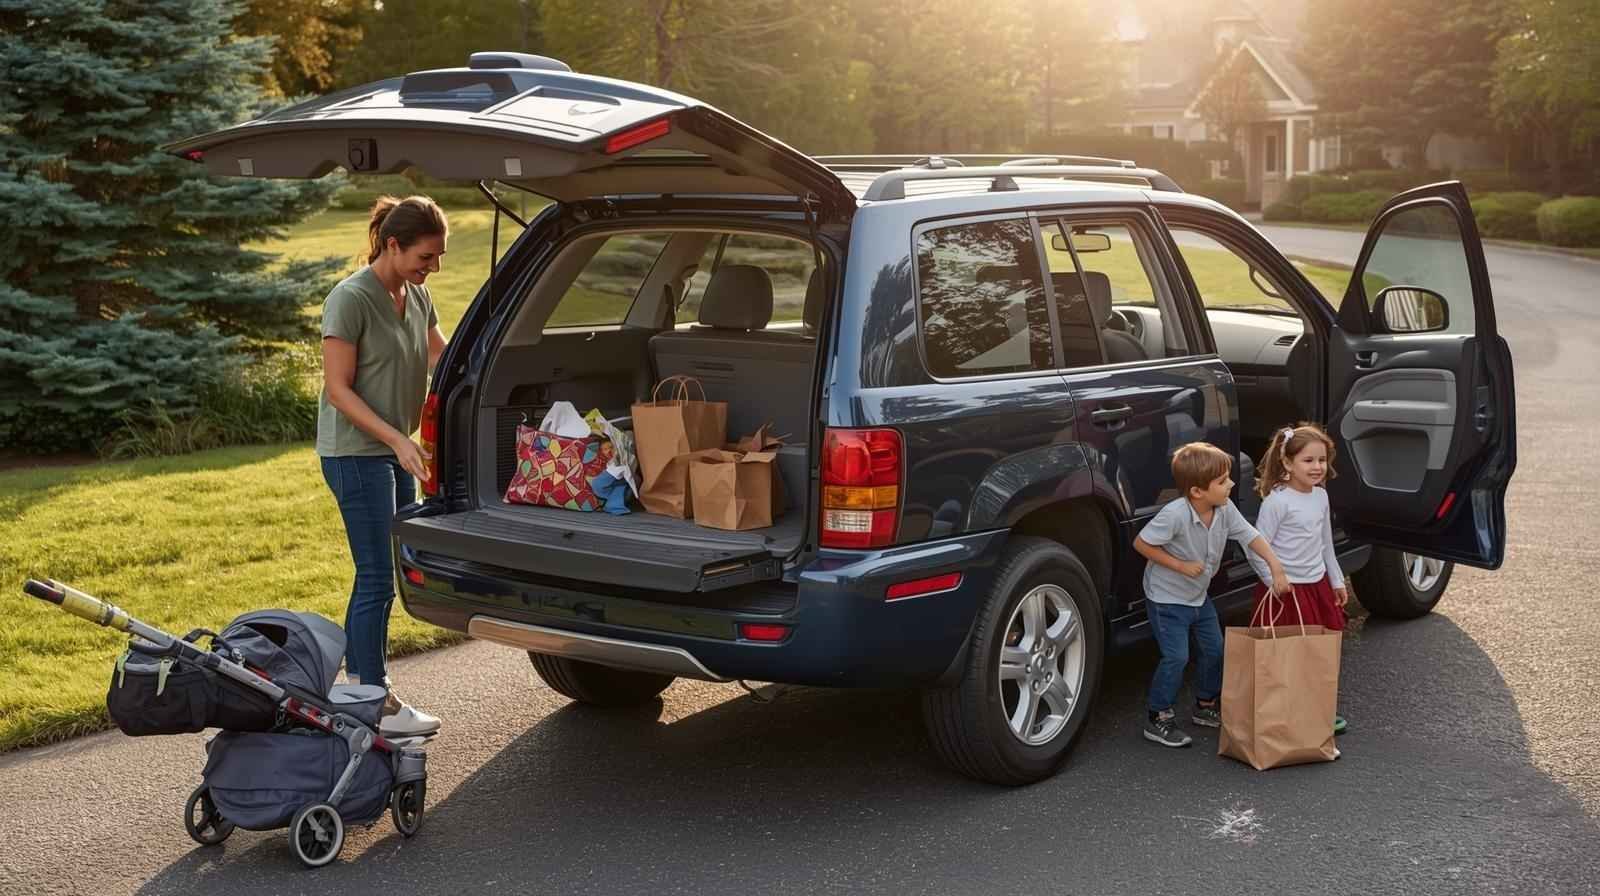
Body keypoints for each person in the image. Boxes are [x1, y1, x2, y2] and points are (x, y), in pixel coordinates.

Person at [318, 195, 449, 738]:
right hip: (355, 452)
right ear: (392, 245)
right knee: (374, 577)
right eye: (425, 256)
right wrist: (399, 438)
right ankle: (369, 699)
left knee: (389, 574)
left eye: (438, 257)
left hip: (398, 450)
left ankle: (369, 693)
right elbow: (338, 389)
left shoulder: (415, 296)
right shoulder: (350, 299)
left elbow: (442, 357)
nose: (432, 267)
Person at [1134, 442, 1290, 748]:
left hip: (1198, 596)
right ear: (1197, 492)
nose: (1231, 484)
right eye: (1222, 481)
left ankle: (1205, 706)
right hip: (1167, 599)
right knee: (1177, 656)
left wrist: (1276, 568)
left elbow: (1250, 536)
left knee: (1216, 650)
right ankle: (1158, 716)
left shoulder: (1225, 508)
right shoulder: (1175, 515)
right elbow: (1142, 544)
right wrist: (1179, 565)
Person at [1248, 422, 1351, 736]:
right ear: (1288, 463)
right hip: (1286, 591)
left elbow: (1325, 544)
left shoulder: (1320, 496)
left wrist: (1336, 580)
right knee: (1287, 655)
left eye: (1322, 460)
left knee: (1319, 651)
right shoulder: (1277, 502)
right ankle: (1285, 710)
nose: (1318, 467)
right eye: (1309, 460)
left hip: (1316, 586)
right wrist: (1272, 581)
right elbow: (1256, 549)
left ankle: (1315, 706)